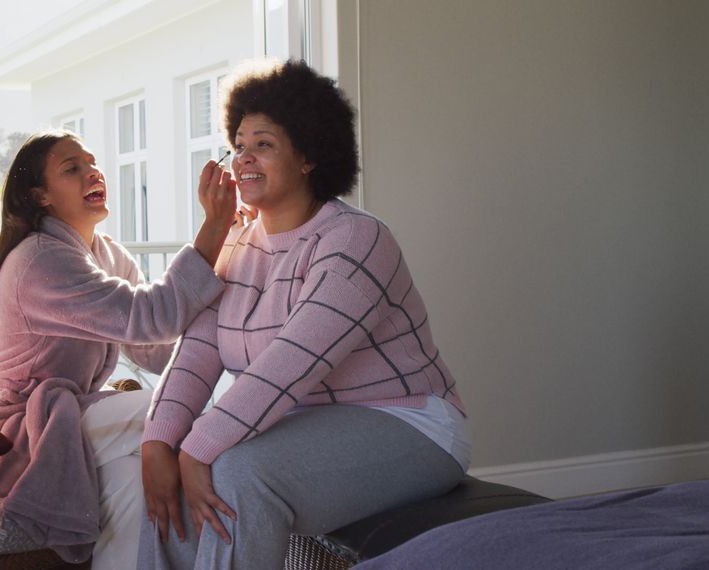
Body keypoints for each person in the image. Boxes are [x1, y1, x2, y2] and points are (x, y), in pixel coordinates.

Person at [138, 59, 472, 569]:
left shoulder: (357, 239)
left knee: (236, 472)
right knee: (162, 478)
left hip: (407, 422)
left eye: (264, 144)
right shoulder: (239, 242)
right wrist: (160, 442)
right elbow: (198, 349)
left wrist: (197, 447)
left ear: (309, 156)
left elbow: (291, 364)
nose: (244, 159)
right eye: (239, 145)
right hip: (305, 422)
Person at [0, 131, 238, 569]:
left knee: (132, 487)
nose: (92, 171)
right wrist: (215, 227)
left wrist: (231, 252)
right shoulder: (40, 260)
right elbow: (151, 315)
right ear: (40, 195)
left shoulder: (105, 255)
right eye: (71, 168)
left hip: (57, 421)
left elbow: (155, 348)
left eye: (92, 162)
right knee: (176, 416)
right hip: (3, 438)